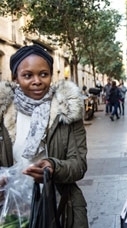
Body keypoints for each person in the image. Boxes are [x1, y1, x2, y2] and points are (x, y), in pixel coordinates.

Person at [0, 44, 89, 228]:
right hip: (15, 210)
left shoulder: (67, 112)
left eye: (43, 74)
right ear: (15, 77)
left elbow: (79, 165)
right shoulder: (3, 114)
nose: (37, 81)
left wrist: (53, 167)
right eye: (27, 75)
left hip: (61, 208)